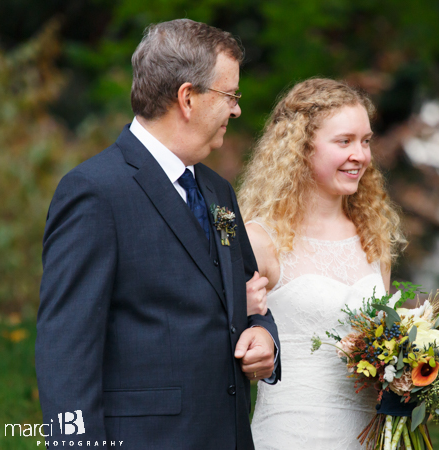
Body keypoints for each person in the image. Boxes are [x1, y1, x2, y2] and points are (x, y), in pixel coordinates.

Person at [36, 19, 281, 449]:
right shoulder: (94, 192)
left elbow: (244, 293)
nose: (237, 109)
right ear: (187, 98)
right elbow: (65, 355)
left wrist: (264, 335)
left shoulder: (218, 191)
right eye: (230, 96)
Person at [238, 78, 405, 449]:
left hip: (368, 435)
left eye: (365, 141)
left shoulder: (374, 238)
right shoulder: (259, 239)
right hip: (291, 434)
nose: (360, 155)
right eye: (344, 141)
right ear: (300, 147)